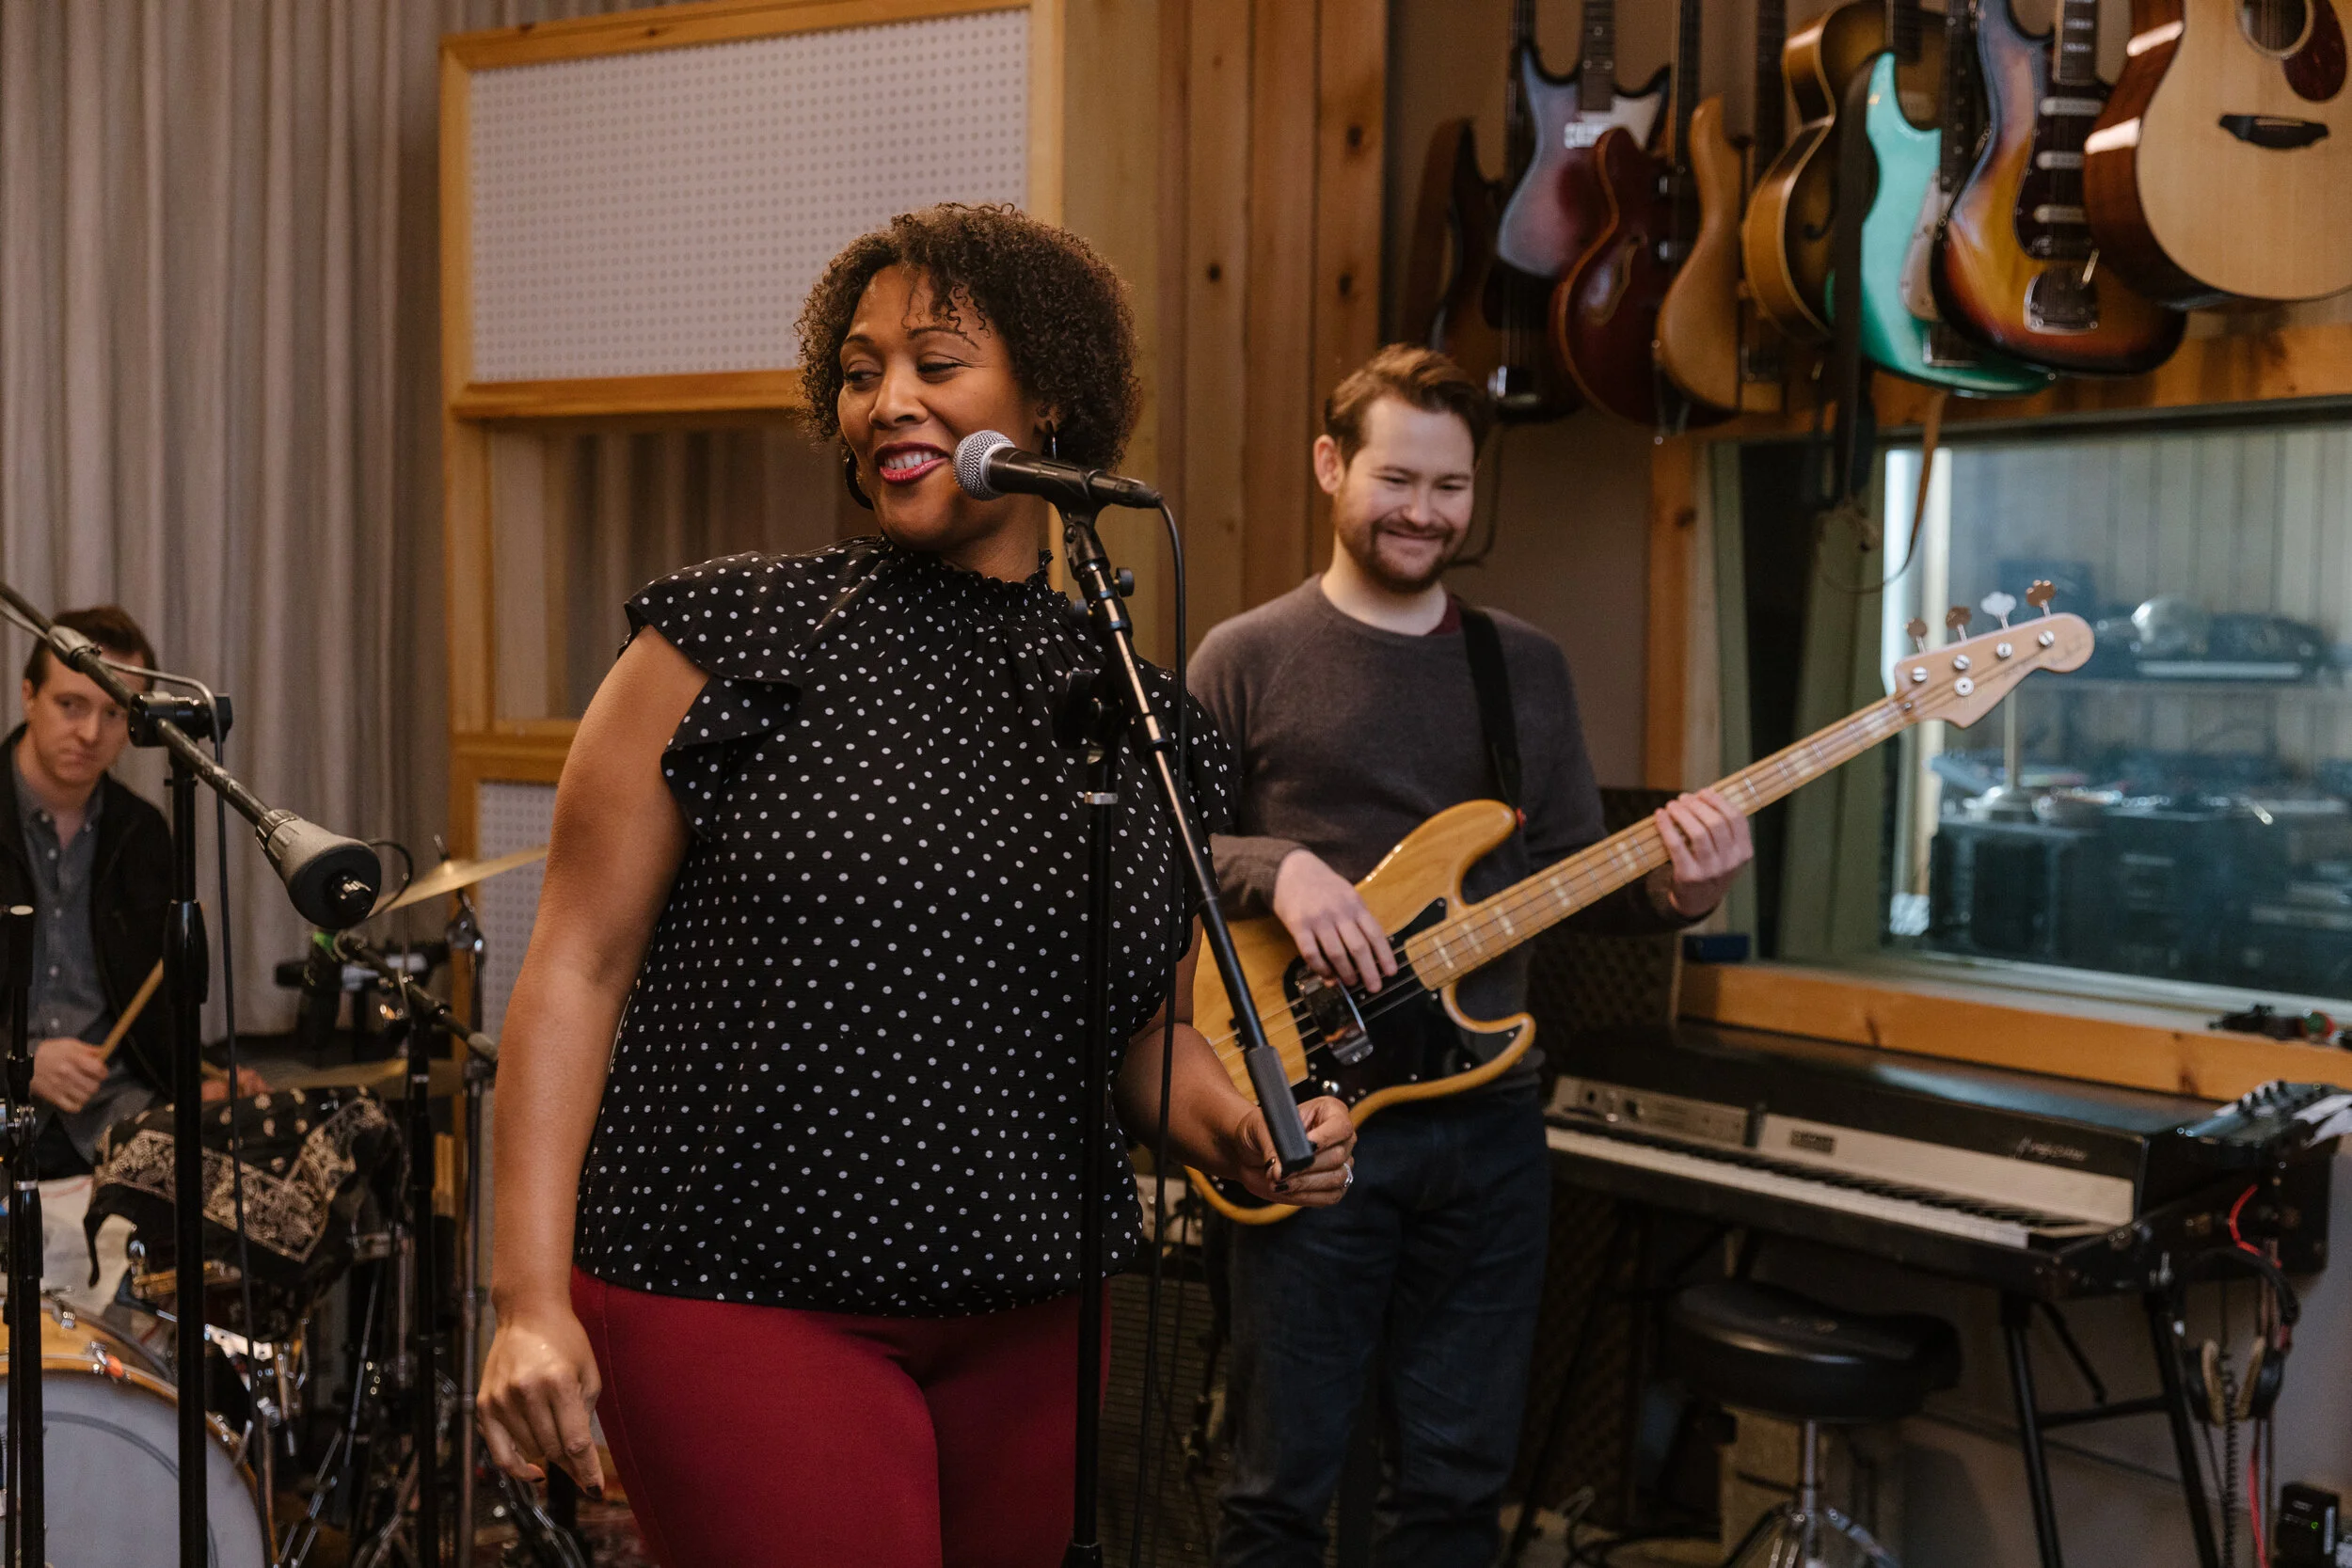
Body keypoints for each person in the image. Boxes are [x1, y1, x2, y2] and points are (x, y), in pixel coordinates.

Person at [475, 204, 1359, 1568]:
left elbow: (1136, 1032)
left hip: (1032, 1311)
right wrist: (527, 1293)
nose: (888, 399)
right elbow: (572, 968)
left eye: (937, 364)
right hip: (738, 1281)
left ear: (1049, 398)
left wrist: (1248, 1130)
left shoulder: (1150, 715)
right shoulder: (726, 635)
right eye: (859, 367)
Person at [1191, 344, 1756, 1568]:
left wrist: (1674, 887)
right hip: (1310, 1106)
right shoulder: (1246, 655)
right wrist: (1276, 865)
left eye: (1451, 487)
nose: (1424, 511)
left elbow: (1564, 877)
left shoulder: (1522, 665)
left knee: (1454, 1489)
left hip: (1486, 1116)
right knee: (1278, 1490)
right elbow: (1165, 847)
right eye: (1398, 477)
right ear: (1331, 465)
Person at [4, 605, 258, 1306]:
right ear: (28, 695)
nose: (90, 732)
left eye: (113, 713)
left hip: (117, 1121)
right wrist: (22, 1059)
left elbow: (160, 1008)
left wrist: (196, 1081)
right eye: (70, 705)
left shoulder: (145, 835)